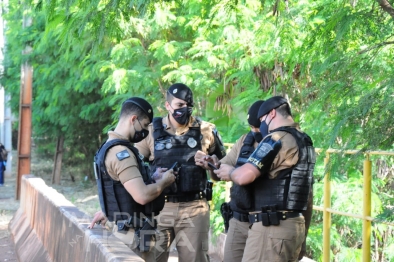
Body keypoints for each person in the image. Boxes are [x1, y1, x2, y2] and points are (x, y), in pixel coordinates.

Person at [214, 96, 316, 262]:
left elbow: (243, 176)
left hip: (272, 228)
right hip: (291, 225)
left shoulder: (276, 139)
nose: (260, 126)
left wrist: (231, 172)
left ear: (272, 114)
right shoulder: (304, 139)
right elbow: (306, 193)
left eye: (262, 120)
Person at [134, 83, 226, 262]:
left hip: (194, 209)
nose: (184, 109)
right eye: (179, 105)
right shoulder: (151, 131)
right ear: (167, 106)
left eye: (188, 105)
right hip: (160, 208)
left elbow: (220, 173)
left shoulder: (206, 130)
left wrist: (211, 165)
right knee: (150, 258)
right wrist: (152, 176)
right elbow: (133, 169)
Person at [88, 97, 176, 262]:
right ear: (133, 119)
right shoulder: (122, 153)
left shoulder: (108, 147)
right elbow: (141, 195)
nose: (144, 133)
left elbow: (118, 188)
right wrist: (164, 181)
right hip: (132, 236)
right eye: (143, 126)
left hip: (122, 230)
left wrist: (153, 177)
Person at [195, 100, 265, 262]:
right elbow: (221, 169)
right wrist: (212, 163)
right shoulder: (245, 140)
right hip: (239, 218)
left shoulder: (277, 142)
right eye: (251, 127)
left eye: (257, 127)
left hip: (264, 223)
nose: (254, 131)